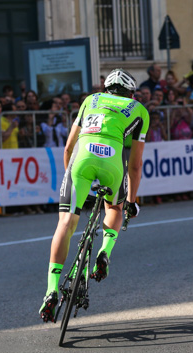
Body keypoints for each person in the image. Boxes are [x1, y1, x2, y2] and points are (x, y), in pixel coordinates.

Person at [39, 68, 148, 322]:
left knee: (65, 223)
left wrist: (73, 180)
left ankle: (51, 289)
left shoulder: (91, 100)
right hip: (112, 162)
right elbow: (135, 165)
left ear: (106, 88)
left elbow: (68, 148)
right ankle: (104, 251)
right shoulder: (138, 109)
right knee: (115, 209)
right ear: (130, 92)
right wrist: (131, 202)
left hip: (82, 159)